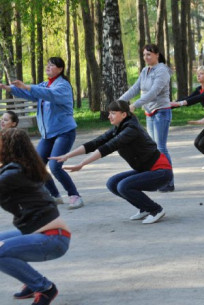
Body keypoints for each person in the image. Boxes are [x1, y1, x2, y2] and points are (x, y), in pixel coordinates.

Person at [50, 100, 173, 224]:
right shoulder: (118, 128)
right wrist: (67, 155)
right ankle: (144, 208)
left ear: (124, 115)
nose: (109, 116)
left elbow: (107, 148)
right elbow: (95, 143)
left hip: (161, 172)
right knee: (112, 183)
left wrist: (82, 164)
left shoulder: (131, 129)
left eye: (113, 113)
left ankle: (156, 210)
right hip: (146, 170)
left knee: (124, 186)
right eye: (109, 113)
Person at [0, 57, 84, 209]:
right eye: (47, 65)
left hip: (64, 132)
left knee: (55, 166)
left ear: (60, 69)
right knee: (36, 165)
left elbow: (49, 95)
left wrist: (28, 87)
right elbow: (31, 94)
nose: (48, 67)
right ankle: (55, 196)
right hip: (47, 135)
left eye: (52, 65)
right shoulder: (45, 84)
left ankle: (74, 195)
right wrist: (9, 89)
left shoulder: (63, 86)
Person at [0, 128, 71, 305]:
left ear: (8, 148)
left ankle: (45, 288)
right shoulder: (19, 169)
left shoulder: (12, 174)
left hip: (52, 239)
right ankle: (31, 282)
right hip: (44, 233)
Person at [119, 44, 175, 192]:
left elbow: (153, 92)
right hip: (149, 112)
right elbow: (135, 89)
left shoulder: (162, 70)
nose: (146, 57)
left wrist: (135, 105)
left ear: (157, 54)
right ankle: (157, 179)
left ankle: (168, 181)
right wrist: (119, 103)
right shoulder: (145, 70)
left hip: (161, 111)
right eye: (144, 55)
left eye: (149, 54)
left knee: (161, 147)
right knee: (154, 148)